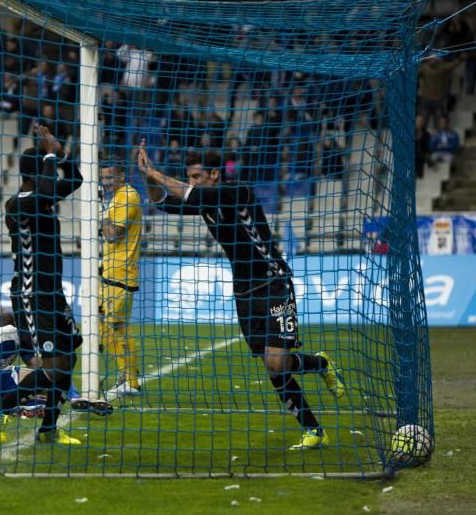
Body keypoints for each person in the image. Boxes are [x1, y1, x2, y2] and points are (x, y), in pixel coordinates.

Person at [137, 141, 346, 451]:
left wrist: (156, 171)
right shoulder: (204, 201)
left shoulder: (238, 192)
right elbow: (162, 202)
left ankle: (319, 370)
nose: (192, 182)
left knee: (277, 361)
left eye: (196, 176)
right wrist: (147, 176)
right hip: (244, 291)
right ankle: (315, 425)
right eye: (190, 177)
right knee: (272, 364)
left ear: (214, 175)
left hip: (274, 282)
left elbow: (192, 194)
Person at [0, 124, 84, 445]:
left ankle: (49, 430)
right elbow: (46, 188)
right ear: (36, 171)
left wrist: (61, 153)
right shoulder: (19, 204)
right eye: (46, 165)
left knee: (67, 357)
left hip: (52, 291)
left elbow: (75, 181)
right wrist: (51, 153)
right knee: (52, 366)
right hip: (32, 294)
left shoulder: (41, 197)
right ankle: (0, 405)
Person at [99, 161, 144, 400]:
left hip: (121, 274)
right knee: (102, 325)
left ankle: (131, 380)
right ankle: (126, 374)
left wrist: (100, 213)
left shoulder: (127, 196)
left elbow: (112, 235)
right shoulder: (117, 197)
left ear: (122, 175)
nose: (106, 182)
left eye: (110, 178)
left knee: (116, 327)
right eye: (103, 178)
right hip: (110, 273)